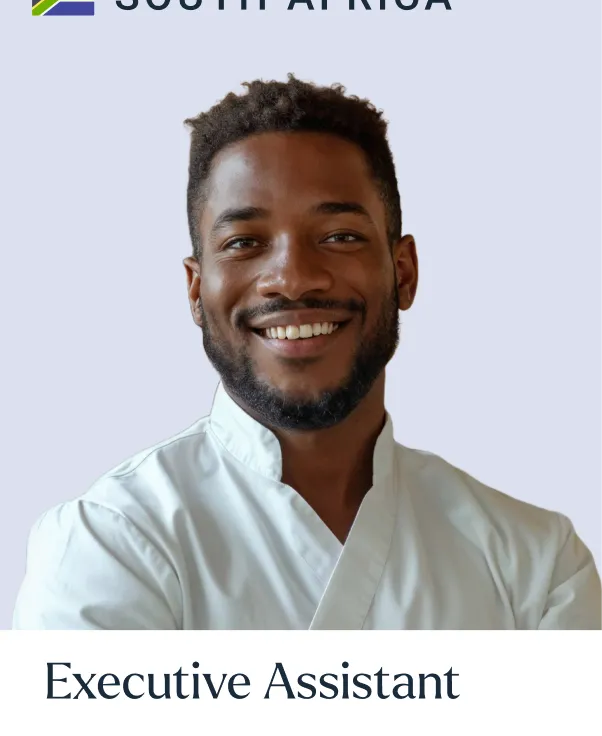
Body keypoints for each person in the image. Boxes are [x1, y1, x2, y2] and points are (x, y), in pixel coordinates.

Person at [13, 75, 602, 629]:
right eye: (244, 242)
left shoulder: (537, 564)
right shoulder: (110, 543)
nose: (293, 278)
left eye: (340, 237)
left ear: (403, 272)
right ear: (196, 290)